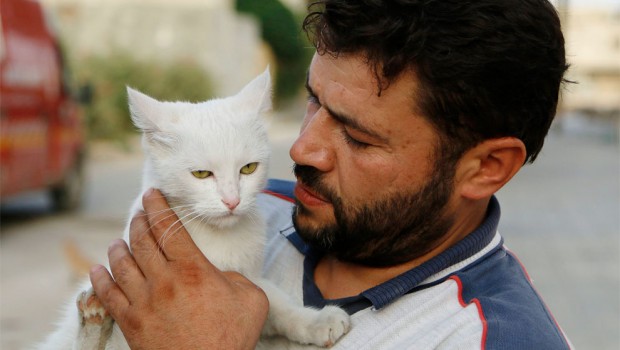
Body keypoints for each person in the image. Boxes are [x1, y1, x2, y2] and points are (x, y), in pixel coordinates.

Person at [90, 0, 573, 348]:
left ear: (486, 167)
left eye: (359, 137)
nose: (302, 148)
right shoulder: (260, 209)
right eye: (314, 101)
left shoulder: (491, 337)